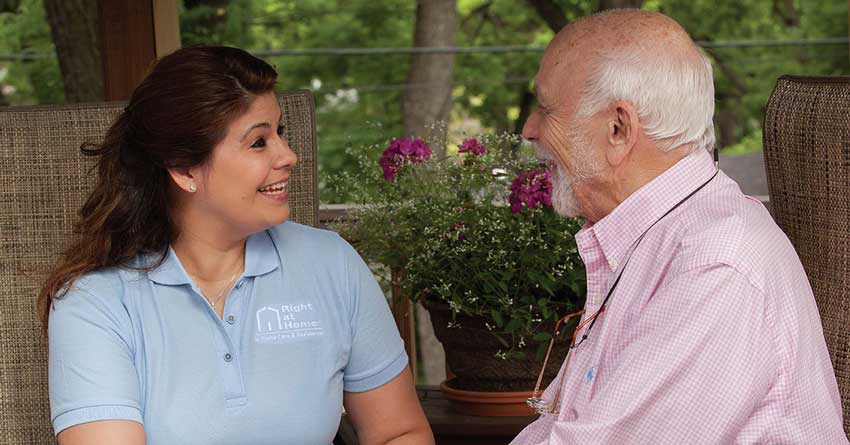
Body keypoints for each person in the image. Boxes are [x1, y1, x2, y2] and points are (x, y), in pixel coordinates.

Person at [40, 46, 433, 445]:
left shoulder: (332, 263)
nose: (289, 156)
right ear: (183, 169)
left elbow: (398, 432)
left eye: (281, 133)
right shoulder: (95, 302)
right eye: (258, 142)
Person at [513, 10, 846, 444]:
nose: (529, 129)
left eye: (547, 108)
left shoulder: (711, 264)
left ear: (618, 129)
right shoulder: (669, 237)